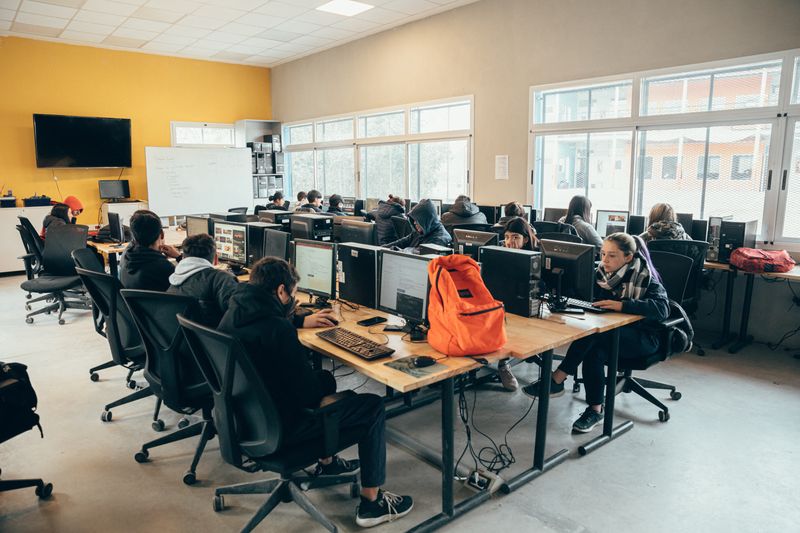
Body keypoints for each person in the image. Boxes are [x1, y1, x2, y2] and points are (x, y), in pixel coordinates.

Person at [217, 258, 413, 527]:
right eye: (293, 295)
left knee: (324, 378)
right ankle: (372, 503)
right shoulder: (277, 329)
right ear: (281, 291)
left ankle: (328, 463)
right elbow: (308, 396)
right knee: (372, 406)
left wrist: (298, 324)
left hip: (245, 422)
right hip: (284, 430)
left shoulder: (232, 314)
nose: (294, 302)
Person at [524, 233, 669, 433]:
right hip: (612, 336)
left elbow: (662, 309)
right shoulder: (601, 275)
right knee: (594, 351)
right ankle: (595, 410)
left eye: (612, 255)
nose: (605, 260)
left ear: (628, 257)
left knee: (594, 334)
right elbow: (580, 293)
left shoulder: (646, 278)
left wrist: (622, 305)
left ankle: (558, 377)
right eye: (603, 254)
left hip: (644, 338)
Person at [167, 234, 238, 327]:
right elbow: (237, 316)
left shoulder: (174, 278)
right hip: (209, 339)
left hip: (176, 337)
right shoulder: (221, 279)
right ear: (216, 258)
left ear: (184, 257)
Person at [120, 209, 181, 291]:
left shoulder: (126, 255)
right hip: (162, 303)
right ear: (162, 234)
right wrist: (179, 257)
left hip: (132, 303)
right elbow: (189, 285)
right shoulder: (163, 267)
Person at [384, 198, 452, 252]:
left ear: (426, 220)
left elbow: (420, 253)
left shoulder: (440, 238)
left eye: (417, 220)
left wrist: (399, 250)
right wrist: (382, 248)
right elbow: (402, 242)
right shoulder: (419, 232)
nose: (414, 222)